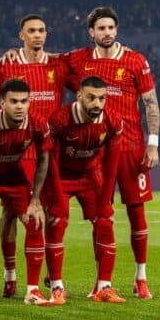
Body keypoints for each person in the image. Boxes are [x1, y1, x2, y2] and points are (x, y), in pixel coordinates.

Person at [65, 7, 160, 299]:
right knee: (100, 216)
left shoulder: (135, 60)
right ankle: (101, 281)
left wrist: (153, 143)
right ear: (91, 32)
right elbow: (47, 64)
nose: (107, 32)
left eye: (111, 27)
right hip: (96, 150)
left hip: (131, 148)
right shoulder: (79, 59)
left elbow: (151, 104)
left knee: (136, 212)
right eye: (101, 28)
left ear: (116, 30)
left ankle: (140, 278)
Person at [0, 14, 72, 298]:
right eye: (31, 31)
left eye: (42, 30)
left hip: (45, 149)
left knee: (52, 214)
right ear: (21, 35)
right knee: (10, 213)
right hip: (14, 152)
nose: (37, 35)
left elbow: (90, 83)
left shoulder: (59, 64)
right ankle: (10, 278)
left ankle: (54, 280)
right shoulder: (7, 64)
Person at [44, 76, 125, 304]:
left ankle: (104, 287)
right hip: (61, 176)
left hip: (91, 176)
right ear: (79, 96)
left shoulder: (113, 121)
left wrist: (106, 199)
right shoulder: (60, 120)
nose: (97, 104)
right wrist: (57, 197)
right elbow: (51, 162)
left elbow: (111, 164)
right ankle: (57, 286)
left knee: (105, 221)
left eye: (102, 98)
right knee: (57, 222)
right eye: (91, 98)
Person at [0, 79, 51, 307]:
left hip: (13, 176)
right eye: (14, 101)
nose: (19, 106)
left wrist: (35, 200)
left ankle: (33, 290)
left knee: (35, 220)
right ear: (2, 103)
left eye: (24, 101)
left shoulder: (37, 124)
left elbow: (44, 157)